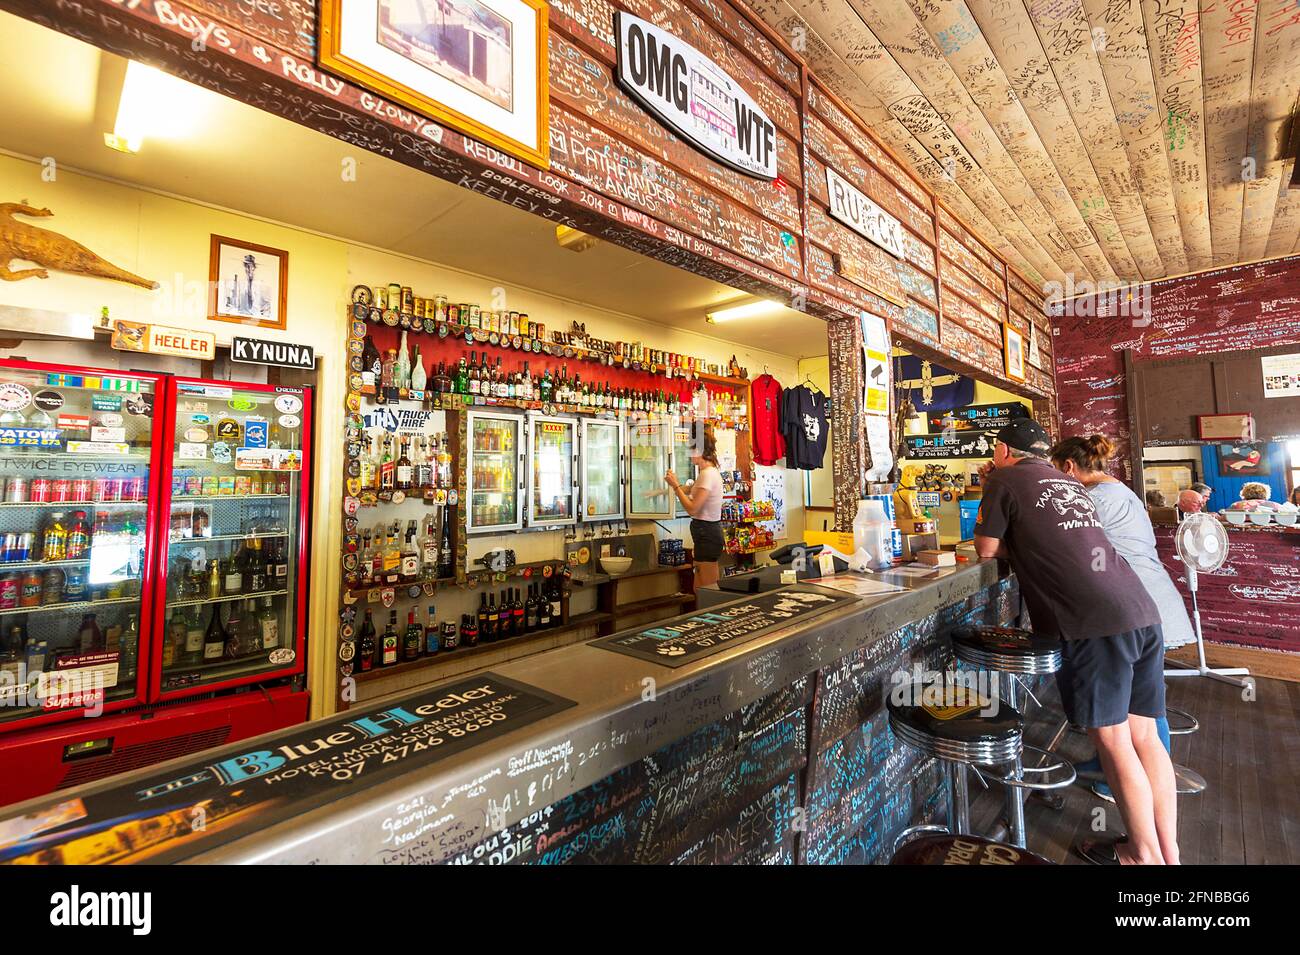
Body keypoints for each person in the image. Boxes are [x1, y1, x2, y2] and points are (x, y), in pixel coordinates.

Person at [974, 418, 1178, 865]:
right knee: (1145, 738)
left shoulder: (1004, 479)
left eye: (995, 449)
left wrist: (1016, 543)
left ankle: (1143, 857)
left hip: (1094, 623)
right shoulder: (1066, 481)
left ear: (1005, 451)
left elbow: (986, 550)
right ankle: (1168, 854)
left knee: (1115, 741)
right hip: (1141, 611)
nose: (993, 457)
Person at [1049, 435, 1196, 816]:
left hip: (1131, 602)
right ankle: (1108, 767)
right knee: (1136, 703)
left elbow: (1069, 544)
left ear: (1067, 468)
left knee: (1139, 710)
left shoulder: (1094, 499)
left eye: (1053, 469)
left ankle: (1135, 783)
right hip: (1145, 598)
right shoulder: (1119, 490)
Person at [665, 425, 724, 588]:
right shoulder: (707, 473)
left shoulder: (707, 475)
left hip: (707, 535)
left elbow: (693, 508)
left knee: (707, 589)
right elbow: (689, 489)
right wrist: (662, 491)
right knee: (699, 587)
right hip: (705, 534)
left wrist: (675, 486)